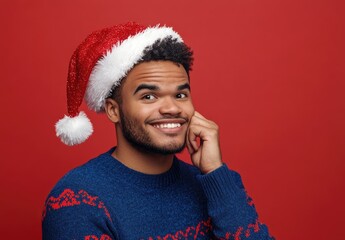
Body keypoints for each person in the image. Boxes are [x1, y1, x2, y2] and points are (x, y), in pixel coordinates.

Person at [42, 22, 275, 240]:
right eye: (149, 96)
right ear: (113, 110)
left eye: (180, 95)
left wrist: (215, 172)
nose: (172, 108)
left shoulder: (215, 184)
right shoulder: (78, 201)